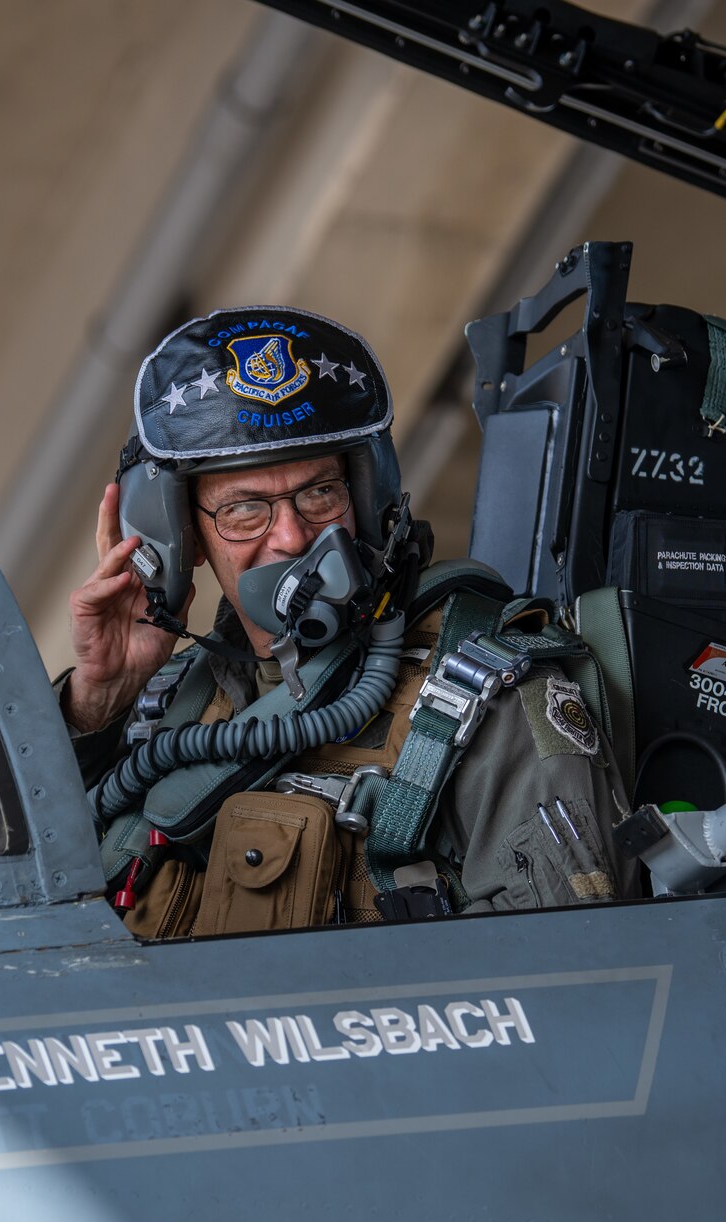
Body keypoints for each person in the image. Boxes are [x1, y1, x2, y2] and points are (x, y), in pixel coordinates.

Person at [62, 306, 637, 937]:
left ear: (365, 499)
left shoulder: (488, 699)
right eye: (246, 509)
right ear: (180, 539)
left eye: (319, 493)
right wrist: (99, 700)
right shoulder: (169, 702)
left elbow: (572, 972)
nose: (291, 535)